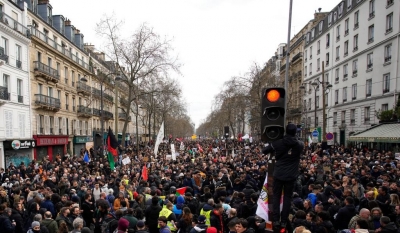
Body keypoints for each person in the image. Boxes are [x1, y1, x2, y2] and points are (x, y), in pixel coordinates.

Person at [262, 123, 304, 230]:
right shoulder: (300, 144)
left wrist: (273, 143)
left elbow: (264, 150)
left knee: (276, 196)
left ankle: (276, 220)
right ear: (295, 132)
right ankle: (284, 221)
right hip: (291, 175)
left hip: (279, 173)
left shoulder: (279, 143)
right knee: (287, 198)